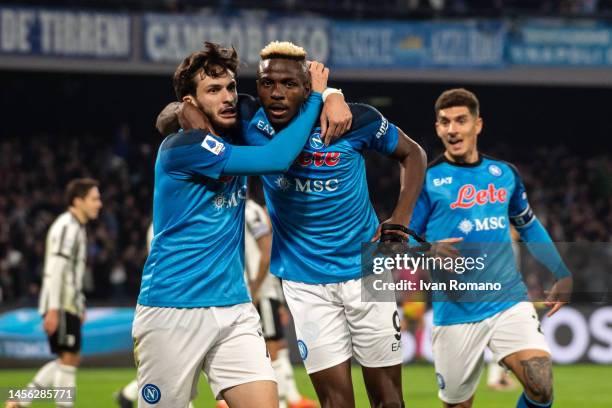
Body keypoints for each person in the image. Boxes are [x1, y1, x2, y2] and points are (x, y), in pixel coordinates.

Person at [167, 41, 427, 408]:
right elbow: (167, 116)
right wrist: (185, 110)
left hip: (367, 271)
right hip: (306, 284)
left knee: (389, 400)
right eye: (266, 83)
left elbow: (413, 153)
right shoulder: (246, 116)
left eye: (288, 84)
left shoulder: (352, 119)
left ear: (307, 88)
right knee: (336, 403)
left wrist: (400, 219)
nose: (276, 93)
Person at [132, 42, 330, 408]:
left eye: (230, 87)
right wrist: (319, 98)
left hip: (235, 307)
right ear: (191, 103)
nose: (227, 97)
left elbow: (280, 103)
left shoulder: (232, 134)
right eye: (213, 90)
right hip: (174, 308)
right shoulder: (183, 147)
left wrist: (334, 96)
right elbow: (277, 157)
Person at [409, 88, 573, 408]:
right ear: (437, 129)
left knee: (541, 386)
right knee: (457, 404)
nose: (453, 129)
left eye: (460, 120)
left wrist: (561, 271)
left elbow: (527, 225)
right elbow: (398, 240)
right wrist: (428, 249)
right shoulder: (426, 180)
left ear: (477, 125)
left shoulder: (505, 174)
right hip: (455, 313)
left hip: (507, 300)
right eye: (445, 122)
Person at [5, 178, 103, 408]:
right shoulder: (68, 227)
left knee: (68, 358)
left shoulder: (75, 226)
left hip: (68, 304)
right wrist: (54, 309)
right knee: (69, 359)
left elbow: (69, 272)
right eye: (94, 199)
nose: (99, 204)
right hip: (61, 304)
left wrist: (79, 305)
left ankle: (19, 401)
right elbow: (56, 269)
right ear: (78, 201)